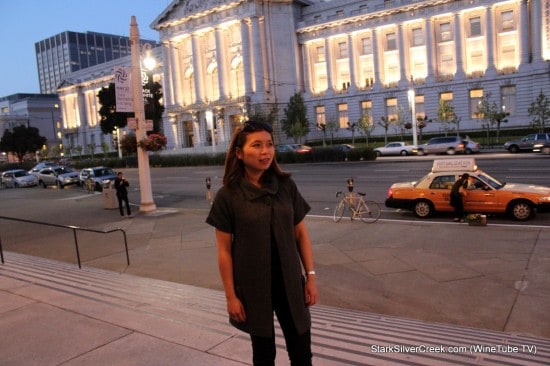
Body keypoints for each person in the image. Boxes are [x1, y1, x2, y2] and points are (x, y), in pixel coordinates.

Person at [206, 120, 318, 366]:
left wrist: (310, 276)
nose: (265, 152)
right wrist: (230, 296)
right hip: (254, 288)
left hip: (291, 283)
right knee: (264, 356)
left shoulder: (286, 185)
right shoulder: (229, 196)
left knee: (302, 354)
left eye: (269, 145)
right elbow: (224, 251)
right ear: (239, 153)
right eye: (256, 145)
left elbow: (300, 233)